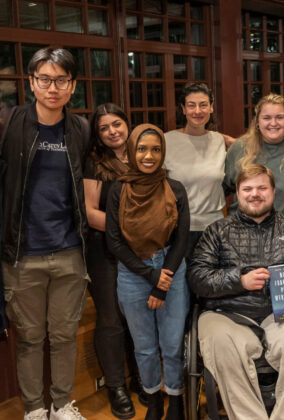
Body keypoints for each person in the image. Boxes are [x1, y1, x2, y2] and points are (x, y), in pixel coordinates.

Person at [189, 164, 284, 420]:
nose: (254, 194)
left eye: (261, 188)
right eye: (247, 189)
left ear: (273, 191)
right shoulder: (217, 231)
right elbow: (197, 278)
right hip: (227, 314)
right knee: (218, 340)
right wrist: (239, 280)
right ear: (236, 193)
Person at [0, 47, 90, 420]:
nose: (53, 88)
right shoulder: (9, 123)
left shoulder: (80, 129)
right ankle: (35, 410)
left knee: (65, 336)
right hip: (23, 252)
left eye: (61, 80)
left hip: (69, 250)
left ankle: (61, 404)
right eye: (45, 79)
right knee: (31, 339)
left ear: (72, 86)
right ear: (32, 83)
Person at [105, 124, 189, 420]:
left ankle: (176, 403)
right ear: (131, 152)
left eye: (155, 149)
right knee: (144, 347)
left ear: (163, 151)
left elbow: (182, 238)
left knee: (172, 345)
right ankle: (153, 403)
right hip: (133, 273)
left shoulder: (175, 188)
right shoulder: (119, 190)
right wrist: (150, 277)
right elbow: (113, 241)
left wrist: (163, 278)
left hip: (172, 268)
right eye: (142, 149)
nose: (149, 155)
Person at [84, 103, 146, 419]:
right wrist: (126, 226)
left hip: (141, 249)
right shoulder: (95, 163)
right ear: (98, 133)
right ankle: (116, 386)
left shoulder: (142, 156)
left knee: (136, 314)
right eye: (104, 127)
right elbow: (90, 211)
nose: (112, 131)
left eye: (117, 124)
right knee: (110, 319)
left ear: (127, 124)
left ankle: (140, 378)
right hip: (104, 250)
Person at [164, 82, 226, 261]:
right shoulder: (167, 141)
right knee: (181, 286)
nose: (197, 111)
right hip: (179, 229)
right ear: (183, 109)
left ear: (211, 108)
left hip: (215, 228)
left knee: (212, 285)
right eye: (191, 105)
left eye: (203, 104)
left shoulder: (218, 140)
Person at [223, 93, 284, 221]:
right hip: (243, 232)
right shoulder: (239, 148)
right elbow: (220, 189)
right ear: (257, 121)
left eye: (279, 117)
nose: (273, 123)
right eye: (266, 118)